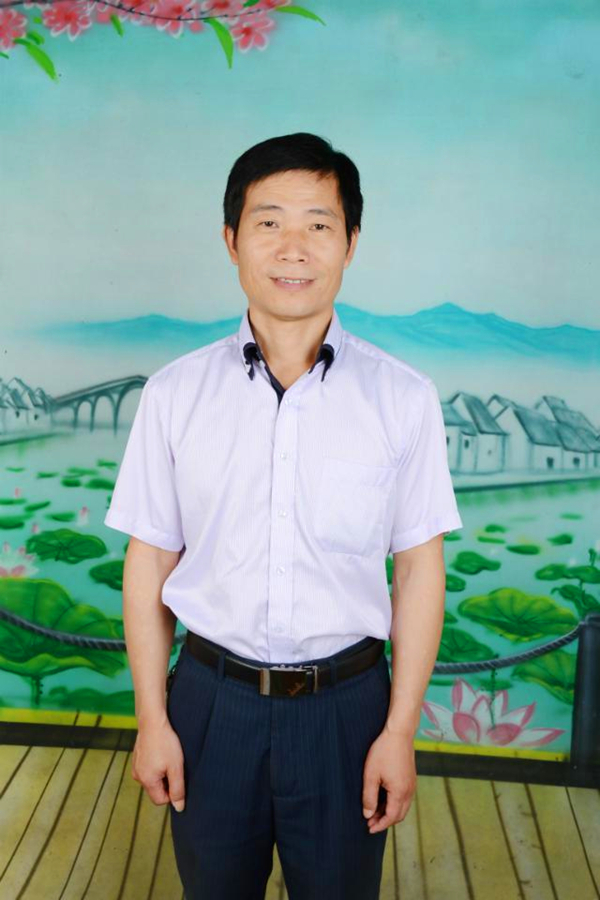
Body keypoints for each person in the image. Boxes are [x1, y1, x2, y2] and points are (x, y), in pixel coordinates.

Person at [103, 132, 464, 900]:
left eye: (319, 224)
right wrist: (153, 719)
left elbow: (419, 571)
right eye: (268, 222)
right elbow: (149, 561)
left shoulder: (404, 398)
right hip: (211, 705)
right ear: (231, 239)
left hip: (347, 713)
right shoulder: (174, 394)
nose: (293, 247)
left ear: (351, 243)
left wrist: (399, 731)